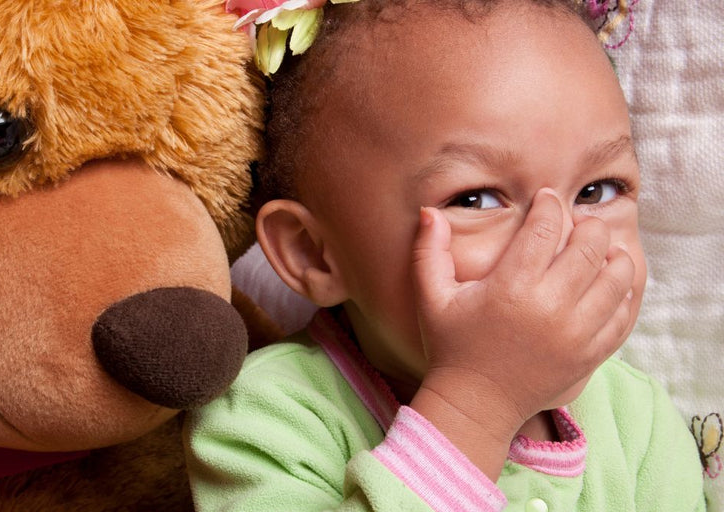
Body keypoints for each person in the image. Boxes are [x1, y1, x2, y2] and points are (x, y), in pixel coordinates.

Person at [185, 0, 707, 510]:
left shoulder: (636, 420)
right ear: (312, 252)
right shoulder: (265, 420)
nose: (567, 241)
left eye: (597, 190)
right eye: (475, 199)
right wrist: (479, 400)